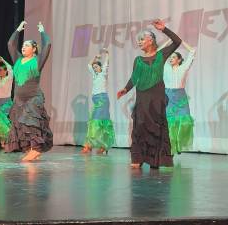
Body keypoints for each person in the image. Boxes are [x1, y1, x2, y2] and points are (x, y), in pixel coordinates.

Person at [117, 19, 182, 168]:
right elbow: (134, 78)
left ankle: (155, 160)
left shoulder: (162, 55)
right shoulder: (138, 60)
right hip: (143, 98)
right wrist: (126, 89)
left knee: (157, 129)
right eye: (138, 40)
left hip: (157, 98)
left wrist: (164, 29)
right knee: (140, 127)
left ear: (151, 40)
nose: (139, 42)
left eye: (142, 39)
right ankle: (138, 159)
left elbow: (177, 41)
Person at [5, 21, 53, 161]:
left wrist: (42, 32)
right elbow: (10, 45)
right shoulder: (18, 60)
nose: (23, 47)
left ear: (34, 49)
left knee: (32, 123)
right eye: (23, 45)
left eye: (27, 45)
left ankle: (36, 149)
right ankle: (29, 149)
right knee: (21, 125)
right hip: (19, 100)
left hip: (32, 98)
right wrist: (17, 30)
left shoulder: (37, 61)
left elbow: (47, 45)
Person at [164, 41, 196, 155]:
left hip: (180, 96)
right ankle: (170, 147)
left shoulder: (184, 68)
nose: (170, 59)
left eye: (173, 57)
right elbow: (158, 54)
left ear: (178, 59)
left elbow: (192, 51)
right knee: (169, 122)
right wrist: (168, 42)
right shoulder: (166, 68)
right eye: (170, 57)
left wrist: (181, 42)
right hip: (168, 96)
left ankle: (178, 143)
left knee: (184, 121)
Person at [81, 49, 115, 154]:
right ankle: (95, 145)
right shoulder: (94, 75)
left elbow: (106, 64)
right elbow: (88, 65)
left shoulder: (103, 73)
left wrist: (107, 54)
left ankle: (96, 146)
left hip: (103, 100)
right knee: (95, 122)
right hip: (96, 100)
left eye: (97, 67)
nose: (95, 68)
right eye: (94, 67)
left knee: (99, 122)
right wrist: (95, 57)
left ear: (101, 67)